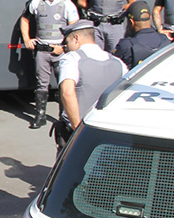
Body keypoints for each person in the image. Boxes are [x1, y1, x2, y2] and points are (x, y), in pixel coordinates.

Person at [54, 19, 127, 154]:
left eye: (67, 42)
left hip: (79, 130)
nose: (66, 47)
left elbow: (67, 92)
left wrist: (77, 129)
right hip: (107, 131)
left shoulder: (72, 59)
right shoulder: (118, 63)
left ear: (76, 38)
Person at [20, 0, 80, 129]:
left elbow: (74, 30)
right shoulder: (37, 3)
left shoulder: (67, 5)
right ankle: (40, 116)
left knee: (63, 85)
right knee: (41, 84)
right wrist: (27, 38)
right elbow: (25, 19)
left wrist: (65, 47)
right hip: (42, 51)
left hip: (60, 51)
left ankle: (64, 116)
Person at [113, 1, 170, 68]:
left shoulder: (126, 45)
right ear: (150, 18)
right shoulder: (165, 40)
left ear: (131, 22)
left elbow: (114, 68)